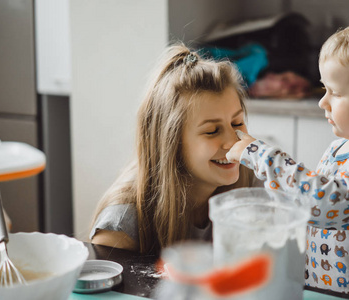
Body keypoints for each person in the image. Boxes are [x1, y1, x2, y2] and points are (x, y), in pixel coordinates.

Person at [226, 16, 349, 299]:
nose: (323, 101)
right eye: (324, 89)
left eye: (336, 92)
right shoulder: (337, 148)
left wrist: (262, 155)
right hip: (324, 291)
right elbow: (304, 201)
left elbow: (325, 203)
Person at [90, 43, 257, 255]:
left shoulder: (251, 178)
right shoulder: (120, 226)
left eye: (237, 123)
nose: (233, 141)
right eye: (212, 131)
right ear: (171, 143)